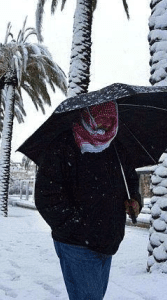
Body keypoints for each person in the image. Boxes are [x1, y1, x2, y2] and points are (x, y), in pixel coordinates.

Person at [35, 101, 142, 300]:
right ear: (86, 117)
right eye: (99, 123)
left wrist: (135, 200)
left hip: (108, 241)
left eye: (108, 124)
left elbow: (131, 180)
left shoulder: (116, 147)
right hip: (77, 244)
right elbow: (47, 197)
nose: (104, 129)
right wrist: (79, 227)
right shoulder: (63, 146)